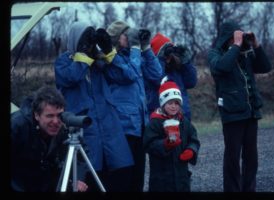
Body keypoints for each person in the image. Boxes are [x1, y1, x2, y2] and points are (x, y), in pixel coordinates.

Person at [54, 21, 134, 192]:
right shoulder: (63, 62)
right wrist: (83, 56)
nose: (89, 45)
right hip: (84, 128)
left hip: (109, 129)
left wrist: (108, 51)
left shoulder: (98, 62)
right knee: (87, 178)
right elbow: (72, 77)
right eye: (85, 39)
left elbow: (125, 76)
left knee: (117, 177)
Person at [94, 20, 162, 192]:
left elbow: (157, 74)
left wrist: (145, 47)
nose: (131, 37)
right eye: (128, 34)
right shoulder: (110, 60)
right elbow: (130, 74)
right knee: (123, 180)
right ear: (117, 38)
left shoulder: (135, 57)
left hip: (139, 126)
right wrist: (135, 49)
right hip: (122, 128)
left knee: (137, 180)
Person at [207, 21, 272, 192]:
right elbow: (223, 67)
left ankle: (248, 189)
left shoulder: (245, 53)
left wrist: (256, 45)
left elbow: (265, 67)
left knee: (252, 158)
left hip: (251, 113)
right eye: (235, 37)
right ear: (227, 38)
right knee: (232, 159)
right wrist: (235, 46)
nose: (239, 40)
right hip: (231, 114)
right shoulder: (214, 54)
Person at [11, 86, 88, 192]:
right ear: (37, 115)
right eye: (50, 116)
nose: (56, 121)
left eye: (59, 115)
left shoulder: (65, 125)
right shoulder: (17, 126)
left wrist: (77, 178)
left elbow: (80, 155)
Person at [143, 80, 200, 192]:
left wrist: (191, 150)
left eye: (176, 103)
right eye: (170, 103)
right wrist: (165, 144)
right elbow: (148, 144)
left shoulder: (184, 121)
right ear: (163, 104)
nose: (174, 106)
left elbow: (194, 138)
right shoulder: (155, 122)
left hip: (182, 176)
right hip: (161, 179)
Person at [148, 33, 198, 121]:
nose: (169, 56)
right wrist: (160, 59)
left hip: (182, 116)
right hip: (160, 118)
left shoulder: (178, 67)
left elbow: (191, 82)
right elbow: (158, 80)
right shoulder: (151, 69)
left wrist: (186, 62)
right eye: (165, 52)